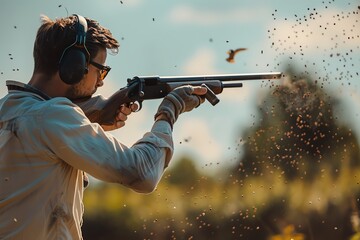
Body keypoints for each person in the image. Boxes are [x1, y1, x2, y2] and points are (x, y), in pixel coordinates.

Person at [0, 14, 207, 239]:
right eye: (100, 69)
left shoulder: (7, 111)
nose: (100, 82)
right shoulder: (53, 116)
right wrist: (170, 111)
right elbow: (142, 173)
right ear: (74, 66)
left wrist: (93, 117)